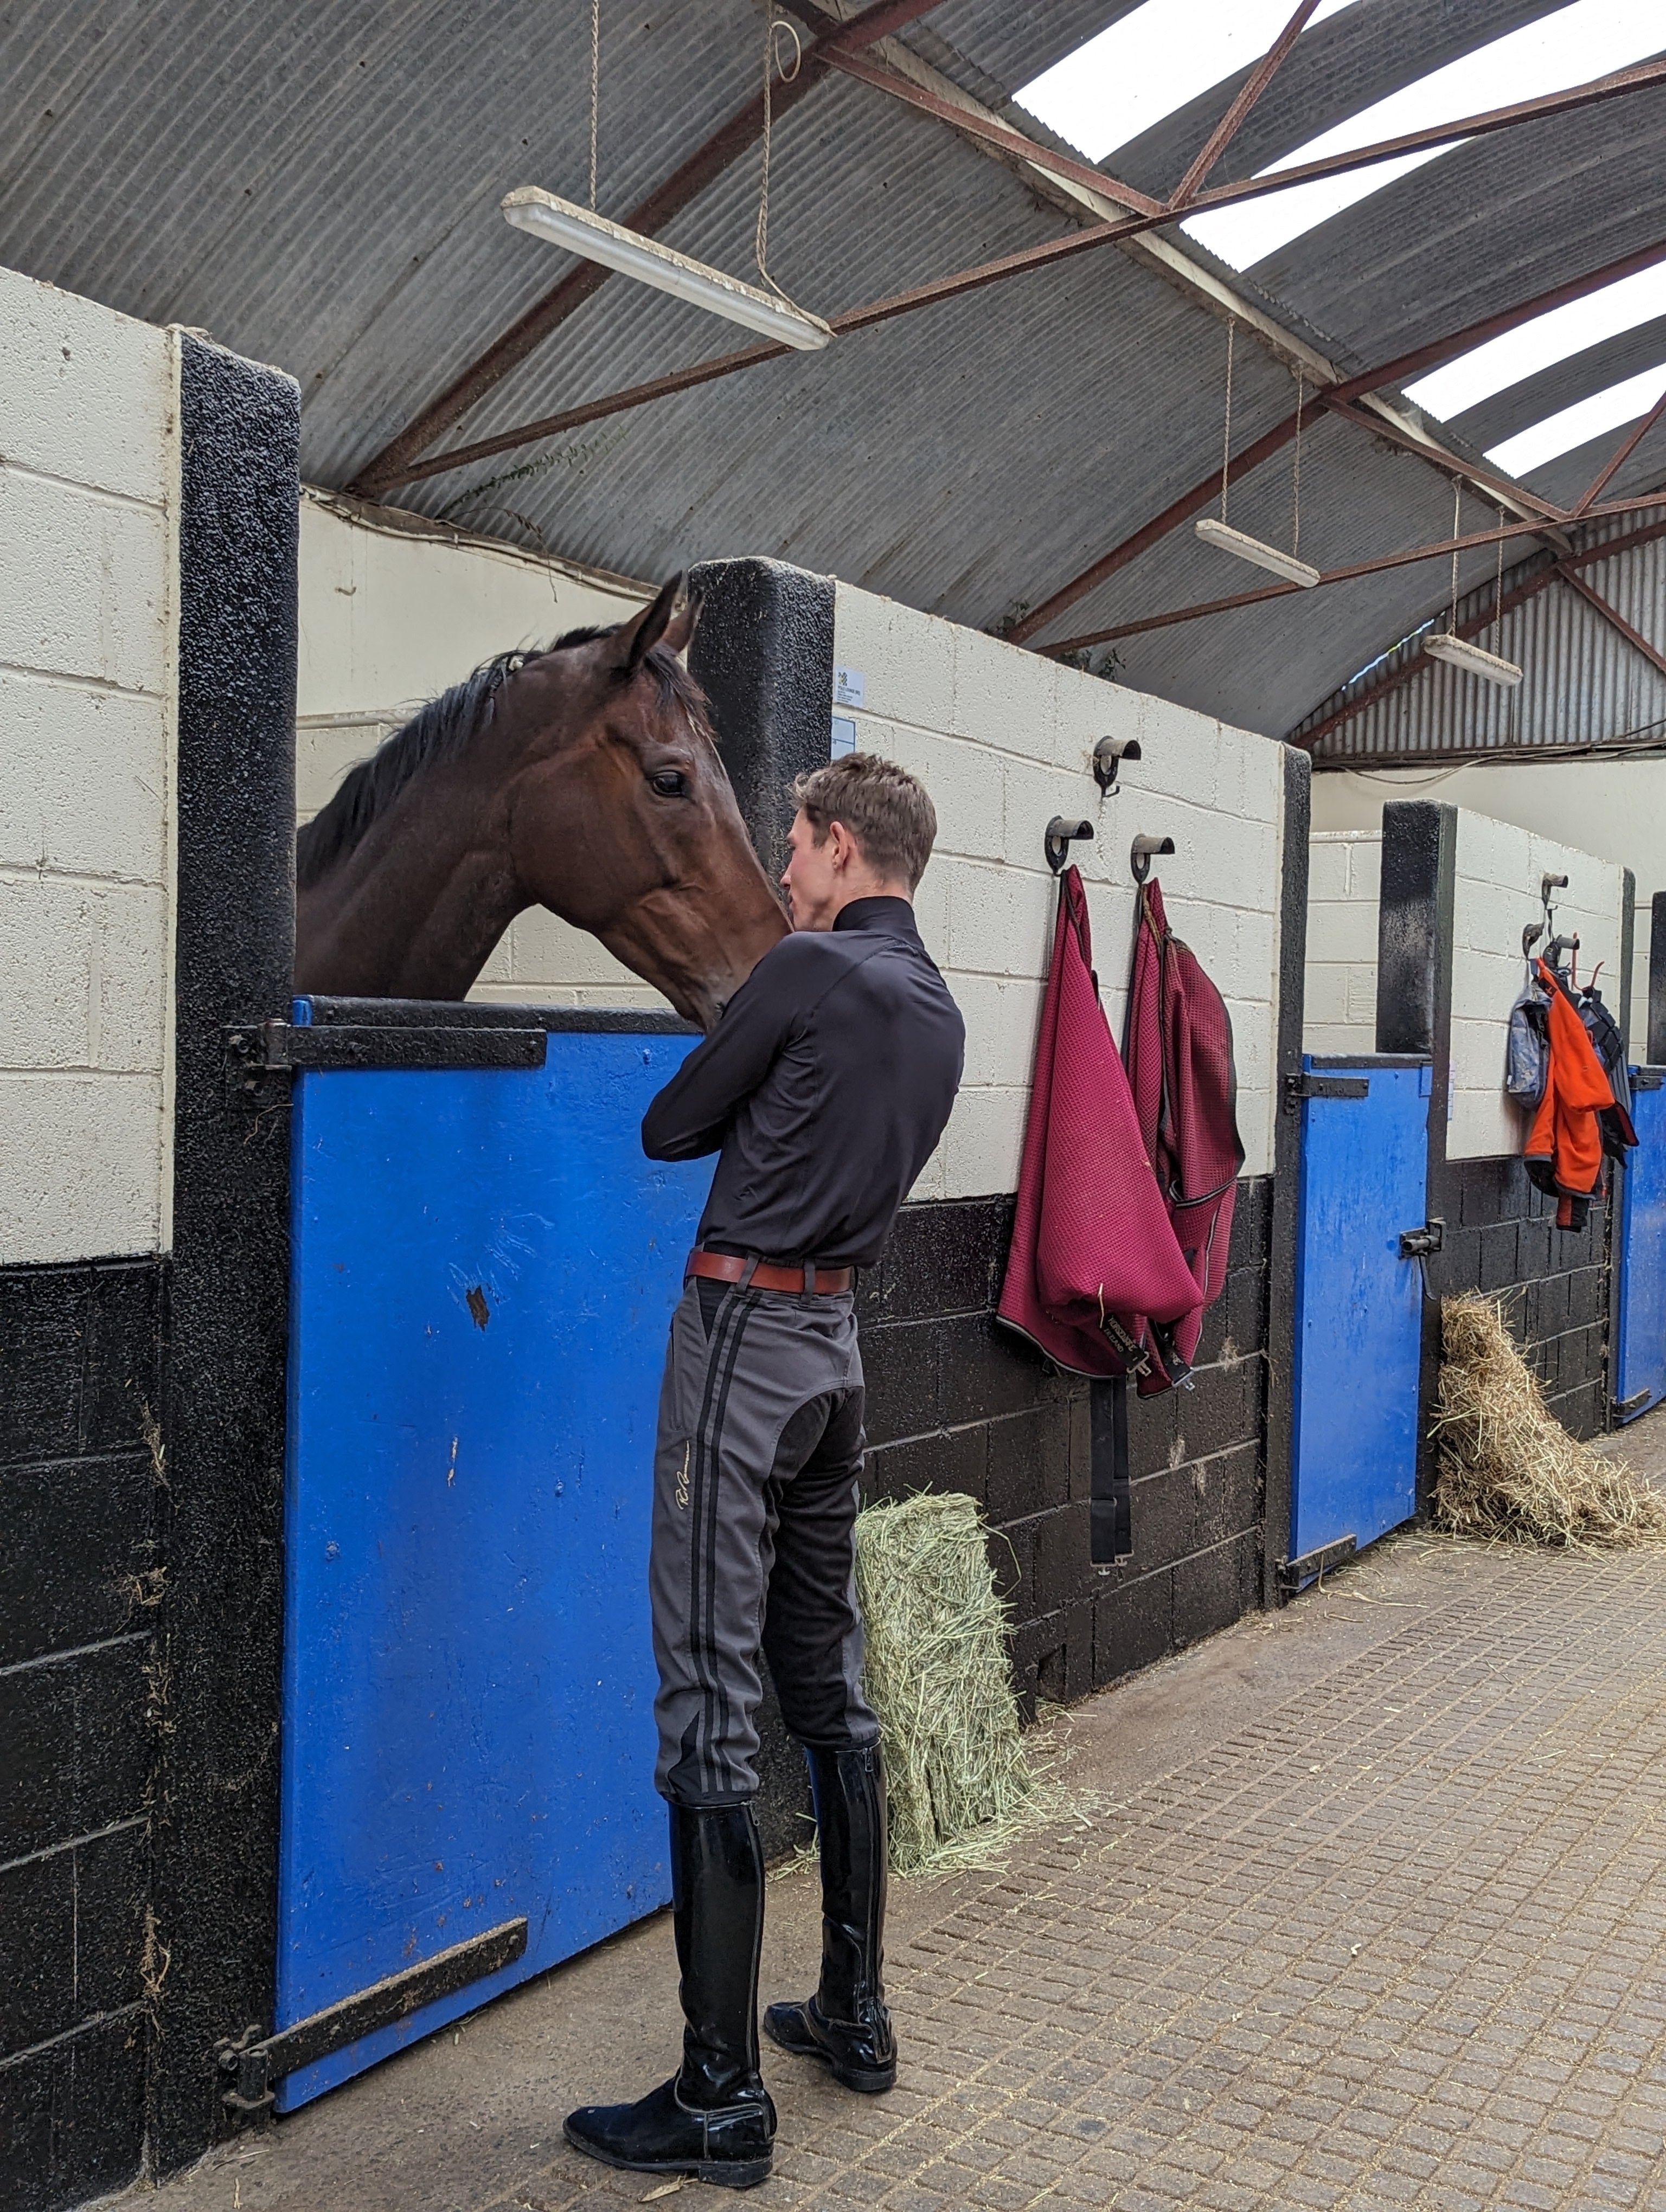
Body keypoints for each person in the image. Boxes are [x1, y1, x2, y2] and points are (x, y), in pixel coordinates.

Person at [563, 753, 965, 2190]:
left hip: (742, 1336)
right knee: (827, 1682)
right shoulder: (941, 1014)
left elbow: (671, 1125)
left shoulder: (807, 974)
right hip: (838, 1350)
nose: (783, 869)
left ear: (842, 848)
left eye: (794, 844)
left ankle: (720, 2093)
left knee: (707, 1688)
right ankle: (854, 2013)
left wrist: (748, 1059)